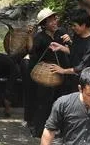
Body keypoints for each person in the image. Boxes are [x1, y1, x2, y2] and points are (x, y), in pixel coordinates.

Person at [28, 8, 70, 137]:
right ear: (44, 24)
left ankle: (60, 129)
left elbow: (71, 49)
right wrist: (29, 36)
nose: (54, 22)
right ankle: (39, 130)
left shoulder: (62, 33)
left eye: (54, 19)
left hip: (62, 71)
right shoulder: (40, 38)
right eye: (50, 20)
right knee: (44, 102)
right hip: (46, 73)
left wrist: (69, 41)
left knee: (61, 100)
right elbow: (31, 52)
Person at [48, 8, 90, 94]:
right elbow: (74, 52)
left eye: (74, 26)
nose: (72, 28)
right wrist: (61, 47)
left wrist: (63, 70)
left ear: (83, 25)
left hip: (85, 80)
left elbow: (81, 67)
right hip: (72, 77)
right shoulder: (77, 35)